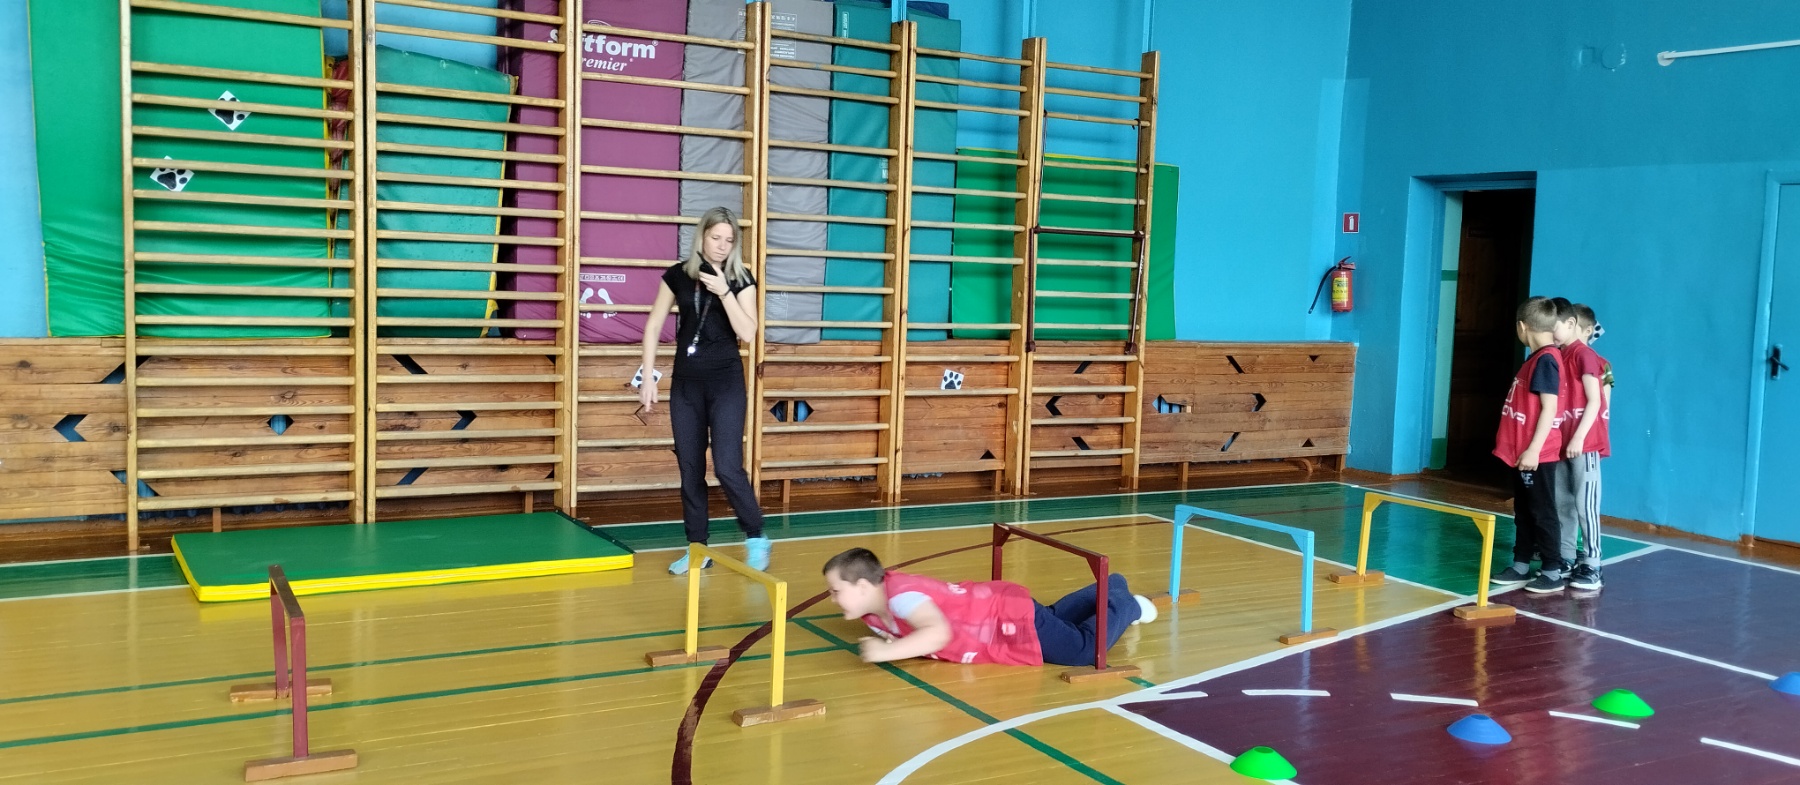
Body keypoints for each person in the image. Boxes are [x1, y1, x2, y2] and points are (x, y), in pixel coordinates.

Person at [639, 207, 770, 575]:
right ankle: (698, 549)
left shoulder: (741, 279)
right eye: (716, 238)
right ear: (702, 236)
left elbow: (748, 333)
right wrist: (648, 377)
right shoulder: (678, 275)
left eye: (729, 240)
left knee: (727, 466)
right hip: (686, 385)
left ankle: (756, 535)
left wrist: (725, 291)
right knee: (690, 469)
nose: (722, 246)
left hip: (726, 384)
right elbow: (653, 327)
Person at [821, 547, 1157, 667]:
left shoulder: (901, 597)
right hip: (999, 612)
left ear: (863, 587)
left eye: (836, 591)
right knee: (1051, 619)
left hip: (1003, 616)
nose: (833, 598)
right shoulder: (873, 612)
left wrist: (887, 652)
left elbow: (937, 633)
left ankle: (1126, 605)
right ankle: (1110, 586)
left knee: (1081, 650)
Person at [1490, 296, 1569, 594]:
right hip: (1522, 454)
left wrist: (1534, 449)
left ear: (1522, 327)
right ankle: (1521, 565)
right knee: (1523, 511)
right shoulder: (1536, 358)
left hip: (1537, 456)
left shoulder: (1546, 360)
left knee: (1542, 511)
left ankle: (1552, 570)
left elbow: (1550, 408)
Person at [1556, 304, 1611, 590]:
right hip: (1561, 442)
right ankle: (1566, 556)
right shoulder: (1560, 355)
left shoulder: (1586, 355)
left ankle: (1593, 562)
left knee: (1585, 504)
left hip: (1584, 444)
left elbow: (1597, 401)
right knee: (1563, 502)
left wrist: (1579, 437)